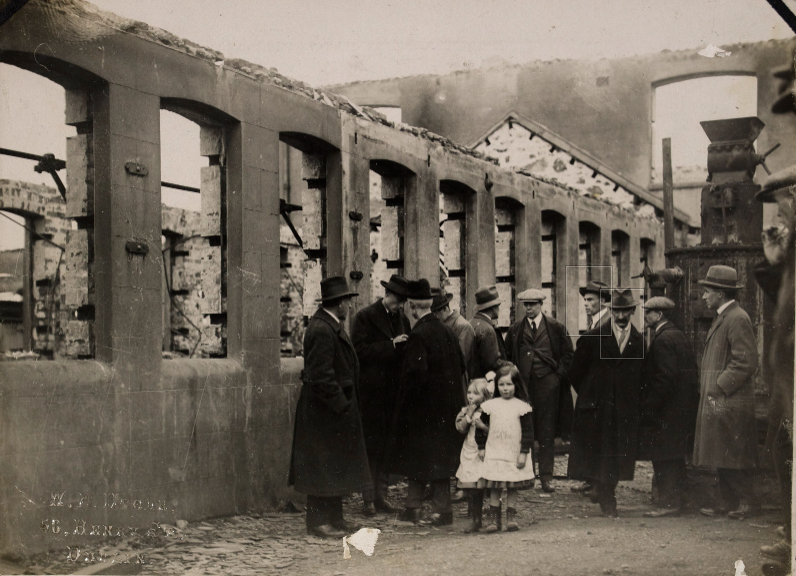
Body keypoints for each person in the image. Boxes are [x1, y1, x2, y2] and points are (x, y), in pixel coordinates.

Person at [288, 276, 371, 538]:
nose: (349, 306)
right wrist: (342, 405)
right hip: (324, 412)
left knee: (335, 465)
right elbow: (320, 375)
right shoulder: (322, 329)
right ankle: (318, 521)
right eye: (347, 300)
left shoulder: (329, 324)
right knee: (321, 466)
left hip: (333, 410)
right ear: (339, 303)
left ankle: (335, 517)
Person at [383, 278, 466, 526]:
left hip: (423, 413)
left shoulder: (418, 335)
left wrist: (404, 407)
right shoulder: (447, 331)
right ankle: (427, 509)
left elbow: (414, 378)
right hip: (446, 410)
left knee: (417, 459)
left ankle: (430, 510)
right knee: (436, 460)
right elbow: (461, 366)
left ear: (412, 306)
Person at [567, 288, 644, 517]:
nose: (621, 317)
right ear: (610, 310)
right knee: (601, 452)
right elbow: (575, 372)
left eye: (625, 312)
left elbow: (642, 376)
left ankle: (605, 489)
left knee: (618, 453)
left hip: (624, 408)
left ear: (632, 311)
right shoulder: (593, 338)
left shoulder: (638, 341)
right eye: (616, 311)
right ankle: (606, 496)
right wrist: (591, 394)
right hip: (598, 407)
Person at [694, 266, 760, 519]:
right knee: (720, 448)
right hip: (720, 399)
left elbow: (746, 362)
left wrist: (719, 386)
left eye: (707, 291)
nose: (703, 297)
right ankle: (729, 502)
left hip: (729, 400)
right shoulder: (725, 316)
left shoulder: (737, 318)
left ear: (720, 293)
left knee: (732, 449)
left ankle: (748, 502)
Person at [753, 169, 795, 567]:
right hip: (788, 380)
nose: (779, 221)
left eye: (784, 210)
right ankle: (791, 531)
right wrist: (774, 261)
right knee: (783, 449)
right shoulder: (791, 256)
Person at [351, 274, 410, 517]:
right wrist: (391, 345)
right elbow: (360, 351)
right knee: (371, 447)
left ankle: (382, 495)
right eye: (396, 301)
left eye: (401, 303)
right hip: (371, 394)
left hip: (392, 393)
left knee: (387, 445)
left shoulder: (401, 318)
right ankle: (368, 500)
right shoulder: (364, 317)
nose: (398, 306)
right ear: (386, 296)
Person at [504, 288, 573, 493]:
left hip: (548, 388)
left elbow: (568, 353)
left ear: (541, 305)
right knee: (526, 430)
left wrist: (557, 376)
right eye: (526, 305)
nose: (529, 308)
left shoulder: (555, 327)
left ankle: (546, 477)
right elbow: (508, 355)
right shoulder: (516, 330)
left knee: (547, 431)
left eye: (532, 304)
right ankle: (527, 475)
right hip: (524, 387)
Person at [638, 297, 699, 518]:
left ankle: (669, 504)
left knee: (664, 456)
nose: (645, 316)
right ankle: (677, 501)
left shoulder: (663, 339)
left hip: (666, 410)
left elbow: (665, 377)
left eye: (648, 312)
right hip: (679, 409)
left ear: (659, 315)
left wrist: (650, 406)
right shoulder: (678, 335)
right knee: (674, 456)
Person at [476, 364, 535, 532]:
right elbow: (480, 427)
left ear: (516, 385)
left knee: (512, 484)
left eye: (509, 384)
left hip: (513, 452)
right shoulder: (490, 406)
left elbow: (528, 433)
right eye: (501, 384)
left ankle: (511, 516)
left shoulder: (521, 407)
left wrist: (523, 453)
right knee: (495, 485)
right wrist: (481, 447)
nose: (505, 388)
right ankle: (494, 519)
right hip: (495, 451)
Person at [570, 280, 611, 495]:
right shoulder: (595, 322)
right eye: (585, 300)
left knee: (598, 435)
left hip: (600, 391)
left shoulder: (607, 323)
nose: (586, 304)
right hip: (590, 389)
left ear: (603, 301)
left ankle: (598, 483)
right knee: (589, 434)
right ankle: (591, 479)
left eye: (591, 300)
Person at [455, 377, 493, 533]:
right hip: (470, 449)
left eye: (475, 393)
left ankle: (492, 517)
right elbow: (460, 428)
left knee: (486, 482)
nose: (470, 396)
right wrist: (469, 416)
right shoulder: (465, 411)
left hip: (485, 451)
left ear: (484, 395)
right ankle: (476, 518)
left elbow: (496, 430)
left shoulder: (488, 412)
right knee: (472, 483)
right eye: (469, 392)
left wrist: (483, 427)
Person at [432, 290, 476, 379]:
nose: (434, 316)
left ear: (446, 309)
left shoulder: (463, 326)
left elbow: (461, 360)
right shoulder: (442, 325)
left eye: (436, 313)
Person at [470, 285, 510, 378]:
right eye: (498, 306)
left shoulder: (472, 322)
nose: (499, 309)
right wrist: (510, 366)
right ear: (493, 308)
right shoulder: (487, 329)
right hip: (484, 380)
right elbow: (492, 363)